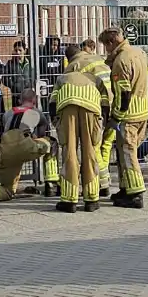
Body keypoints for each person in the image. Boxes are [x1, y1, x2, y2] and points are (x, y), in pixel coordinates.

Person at [0, 88, 60, 204]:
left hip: (6, 149)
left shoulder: (8, 113)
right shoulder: (37, 112)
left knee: (7, 189)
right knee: (51, 143)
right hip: (24, 145)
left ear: (20, 100)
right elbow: (41, 136)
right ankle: (51, 184)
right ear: (34, 100)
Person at [50, 44, 109, 213]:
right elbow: (105, 101)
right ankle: (92, 199)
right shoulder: (94, 77)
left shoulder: (63, 77)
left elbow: (52, 102)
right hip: (91, 107)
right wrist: (102, 121)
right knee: (90, 151)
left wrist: (56, 121)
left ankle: (69, 201)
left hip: (67, 106)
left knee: (69, 153)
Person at [99, 26, 148, 208]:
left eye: (105, 46)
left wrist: (116, 117)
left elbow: (123, 94)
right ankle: (125, 188)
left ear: (111, 42)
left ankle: (136, 193)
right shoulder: (140, 53)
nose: (106, 50)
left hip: (128, 115)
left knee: (128, 154)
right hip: (143, 110)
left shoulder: (121, 61)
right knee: (124, 153)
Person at [75, 38, 115, 196]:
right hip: (113, 105)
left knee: (95, 146)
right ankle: (104, 181)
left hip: (98, 107)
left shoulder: (80, 65)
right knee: (106, 145)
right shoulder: (100, 60)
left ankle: (103, 183)